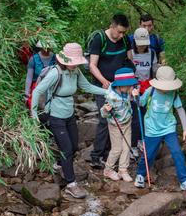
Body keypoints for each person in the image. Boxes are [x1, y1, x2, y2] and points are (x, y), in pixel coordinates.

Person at [31, 43, 107, 199]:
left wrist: (108, 91)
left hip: (69, 114)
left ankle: (59, 165)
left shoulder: (76, 72)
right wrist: (33, 113)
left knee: (73, 146)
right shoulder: (55, 73)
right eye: (73, 62)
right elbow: (38, 90)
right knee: (66, 149)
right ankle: (71, 184)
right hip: (55, 115)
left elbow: (87, 87)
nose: (75, 65)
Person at [134, 66, 186, 193]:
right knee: (149, 153)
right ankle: (141, 174)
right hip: (152, 128)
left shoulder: (173, 93)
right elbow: (141, 103)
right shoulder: (150, 91)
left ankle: (184, 181)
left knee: (177, 152)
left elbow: (180, 109)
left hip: (169, 127)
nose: (165, 89)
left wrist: (185, 129)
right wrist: (136, 96)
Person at [88, 13, 134, 169]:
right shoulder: (99, 39)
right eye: (119, 32)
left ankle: (113, 152)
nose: (121, 36)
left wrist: (131, 83)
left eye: (124, 32)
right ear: (111, 26)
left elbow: (129, 61)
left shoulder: (126, 40)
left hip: (121, 85)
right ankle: (97, 155)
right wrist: (103, 81)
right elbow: (92, 65)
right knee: (105, 118)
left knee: (123, 116)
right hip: (103, 85)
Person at [100, 68, 140, 182]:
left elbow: (137, 101)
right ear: (120, 85)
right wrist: (106, 110)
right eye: (128, 87)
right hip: (115, 125)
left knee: (127, 147)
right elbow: (103, 114)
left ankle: (123, 170)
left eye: (131, 86)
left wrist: (136, 96)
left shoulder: (129, 89)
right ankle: (108, 169)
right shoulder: (111, 96)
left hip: (127, 121)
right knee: (117, 149)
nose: (130, 89)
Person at [129, 27, 158, 157]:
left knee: (146, 115)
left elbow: (155, 70)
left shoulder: (152, 53)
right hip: (133, 89)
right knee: (135, 118)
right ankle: (133, 145)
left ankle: (142, 140)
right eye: (139, 44)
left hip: (148, 89)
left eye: (144, 44)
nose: (142, 47)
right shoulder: (130, 53)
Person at [24, 40, 56, 110]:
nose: (46, 49)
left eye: (49, 48)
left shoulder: (55, 58)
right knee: (34, 106)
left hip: (51, 86)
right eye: (44, 47)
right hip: (37, 85)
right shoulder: (33, 59)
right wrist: (26, 93)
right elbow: (29, 77)